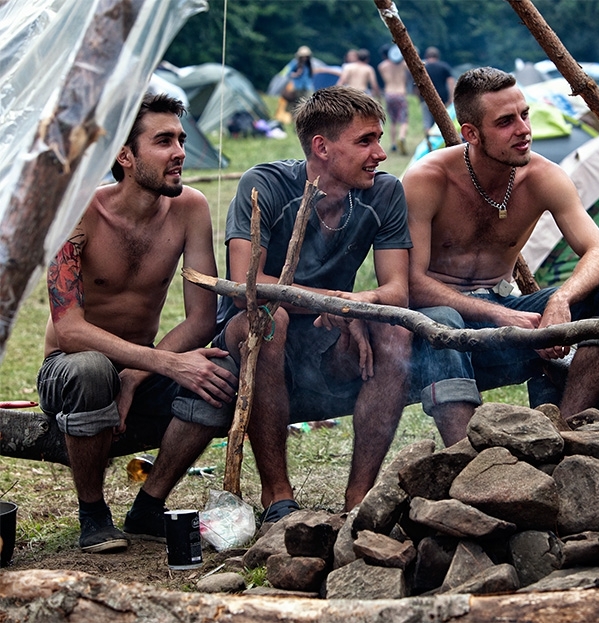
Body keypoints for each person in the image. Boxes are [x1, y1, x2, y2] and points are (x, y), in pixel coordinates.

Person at [37, 93, 238, 553]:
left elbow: (202, 317)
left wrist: (136, 376)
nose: (180, 152)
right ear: (125, 156)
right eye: (163, 141)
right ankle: (93, 514)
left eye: (182, 140)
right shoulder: (78, 211)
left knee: (219, 375)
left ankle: (149, 505)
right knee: (91, 368)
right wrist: (163, 364)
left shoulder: (191, 208)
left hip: (141, 373)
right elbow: (68, 329)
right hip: (70, 369)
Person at [402, 67, 599, 443]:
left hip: (506, 316)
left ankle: (567, 429)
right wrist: (502, 313)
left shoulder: (544, 177)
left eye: (525, 114)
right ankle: (467, 455)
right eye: (506, 121)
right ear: (471, 133)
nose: (524, 129)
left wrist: (561, 299)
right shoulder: (426, 180)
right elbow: (411, 283)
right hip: (440, 327)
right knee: (444, 319)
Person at [215, 86, 412, 515]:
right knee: (268, 319)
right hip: (252, 338)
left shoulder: (384, 193)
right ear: (321, 147)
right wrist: (341, 304)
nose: (380, 153)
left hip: (330, 339)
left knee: (394, 327)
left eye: (379, 138)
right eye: (365, 141)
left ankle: (358, 500)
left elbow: (396, 291)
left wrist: (356, 307)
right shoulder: (264, 185)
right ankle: (277, 495)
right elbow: (248, 285)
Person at [378, 44, 410, 155]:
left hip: (388, 94)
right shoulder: (403, 65)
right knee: (404, 120)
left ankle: (393, 144)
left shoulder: (382, 66)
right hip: (400, 93)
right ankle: (401, 137)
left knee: (393, 121)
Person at [420, 46, 455, 132]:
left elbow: (417, 86)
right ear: (437, 56)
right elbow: (451, 82)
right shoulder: (444, 67)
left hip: (426, 99)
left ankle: (428, 142)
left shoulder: (422, 68)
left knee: (427, 122)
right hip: (442, 98)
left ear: (427, 56)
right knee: (442, 122)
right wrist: (451, 97)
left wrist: (419, 98)